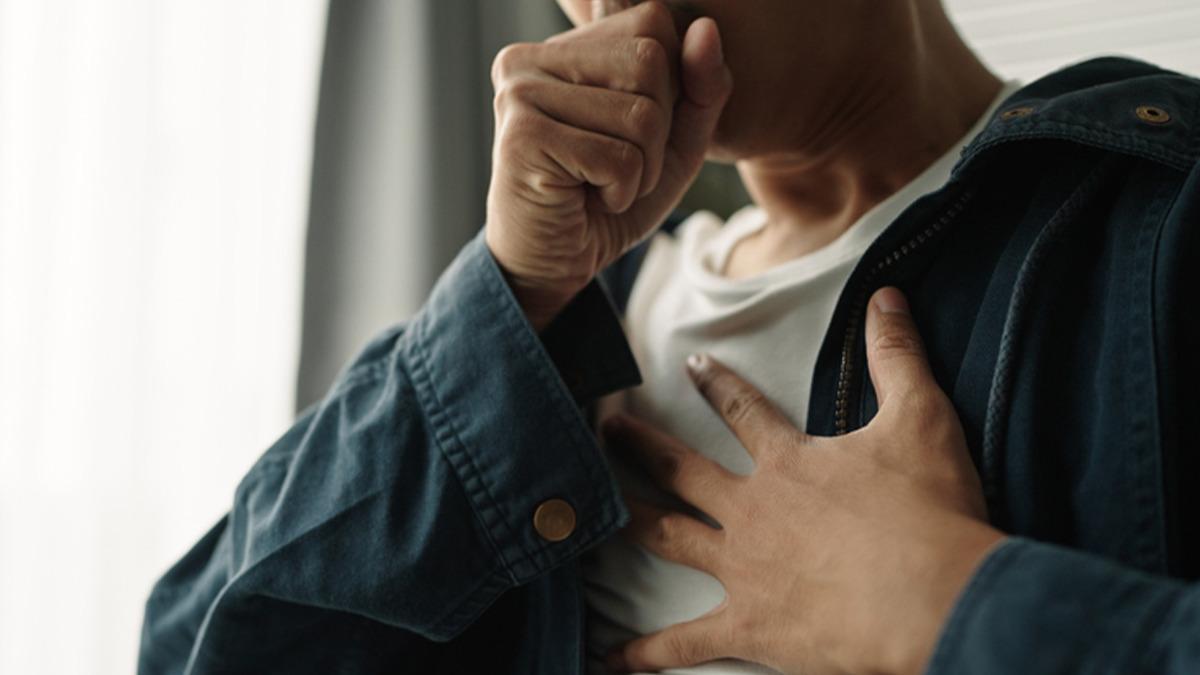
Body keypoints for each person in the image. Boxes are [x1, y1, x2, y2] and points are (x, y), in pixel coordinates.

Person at [139, 0, 1200, 673]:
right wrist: (511, 296)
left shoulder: (1159, 216)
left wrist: (942, 605)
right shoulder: (571, 320)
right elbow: (196, 647)